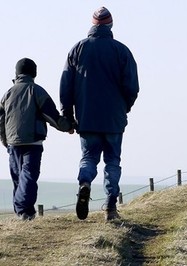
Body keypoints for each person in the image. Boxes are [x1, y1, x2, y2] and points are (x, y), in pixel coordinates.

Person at [60, 7, 140, 221]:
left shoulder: (77, 49)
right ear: (110, 25)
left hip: (87, 117)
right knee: (112, 161)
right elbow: (132, 86)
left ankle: (85, 183)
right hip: (114, 118)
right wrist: (125, 107)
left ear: (93, 25)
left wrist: (67, 116)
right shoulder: (122, 51)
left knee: (88, 158)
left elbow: (66, 86)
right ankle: (110, 206)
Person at [0, 58, 72, 221]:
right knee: (28, 177)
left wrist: (5, 141)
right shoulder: (37, 91)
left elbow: (0, 121)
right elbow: (51, 116)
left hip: (12, 144)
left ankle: (24, 212)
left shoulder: (7, 94)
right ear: (34, 73)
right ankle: (24, 211)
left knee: (19, 178)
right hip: (32, 142)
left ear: (17, 73)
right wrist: (67, 126)